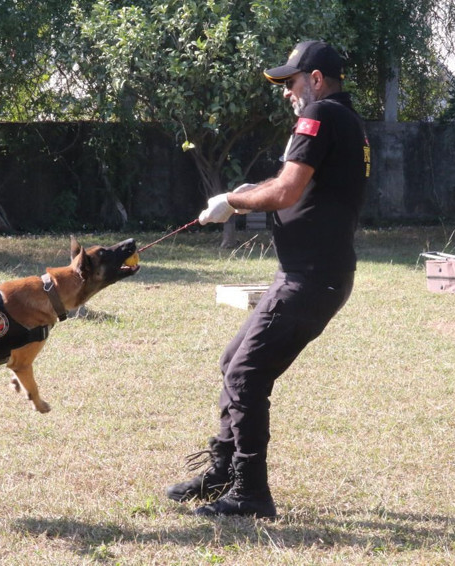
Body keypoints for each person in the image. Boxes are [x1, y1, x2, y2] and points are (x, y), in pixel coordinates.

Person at [165, 40, 371, 518]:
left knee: (245, 373)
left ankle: (250, 493)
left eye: (291, 81)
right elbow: (298, 186)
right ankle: (223, 470)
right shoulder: (346, 118)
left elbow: (287, 190)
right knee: (234, 361)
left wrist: (234, 202)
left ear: (316, 79)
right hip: (312, 274)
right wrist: (247, 190)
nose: (285, 92)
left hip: (310, 277)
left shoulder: (318, 115)